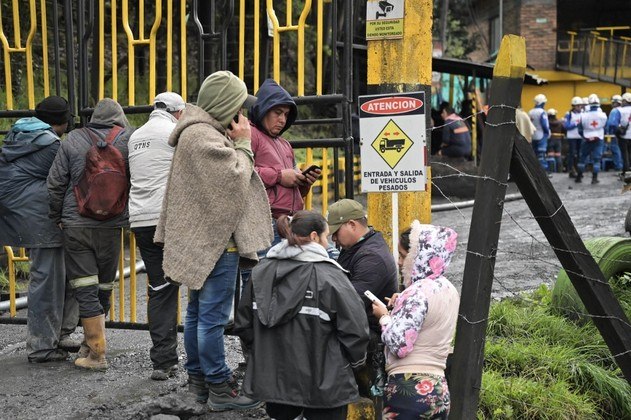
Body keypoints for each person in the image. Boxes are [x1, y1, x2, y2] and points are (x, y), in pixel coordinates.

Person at [154, 70, 273, 411]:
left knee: (196, 315)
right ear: (226, 105)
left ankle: (199, 383)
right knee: (212, 318)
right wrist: (244, 144)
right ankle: (219, 388)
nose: (244, 115)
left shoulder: (196, 133)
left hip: (205, 243)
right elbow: (234, 183)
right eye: (238, 105)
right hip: (218, 245)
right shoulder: (204, 138)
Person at [234, 211, 370, 420]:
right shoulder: (332, 277)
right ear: (314, 237)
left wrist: (263, 356)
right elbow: (356, 332)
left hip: (274, 382)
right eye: (326, 237)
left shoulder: (260, 273)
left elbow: (244, 325)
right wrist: (352, 365)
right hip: (326, 384)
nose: (328, 243)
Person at [48, 98, 133, 370]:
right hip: (112, 225)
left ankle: (96, 352)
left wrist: (57, 217)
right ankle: (92, 345)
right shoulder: (128, 139)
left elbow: (55, 183)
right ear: (119, 118)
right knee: (104, 285)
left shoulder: (72, 139)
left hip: (77, 224)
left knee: (84, 286)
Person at [0, 96, 79, 362]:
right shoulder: (50, 145)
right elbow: (69, 177)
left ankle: (57, 335)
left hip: (20, 211)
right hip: (38, 215)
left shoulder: (21, 134)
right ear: (63, 121)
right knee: (47, 279)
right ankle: (42, 347)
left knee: (54, 275)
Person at [372, 221, 460, 419]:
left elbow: (400, 344)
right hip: (438, 390)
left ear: (420, 256)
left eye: (404, 256)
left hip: (409, 389)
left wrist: (385, 317)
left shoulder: (417, 292)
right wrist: (399, 308)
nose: (400, 262)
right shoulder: (449, 290)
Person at [128, 92, 185, 380]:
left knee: (160, 288)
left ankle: (163, 361)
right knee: (197, 281)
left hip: (140, 219)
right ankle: (201, 361)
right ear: (177, 112)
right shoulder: (174, 132)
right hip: (168, 219)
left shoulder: (135, 136)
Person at [327, 199, 398, 405]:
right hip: (361, 326)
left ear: (352, 224)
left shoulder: (370, 257)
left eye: (336, 232)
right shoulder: (358, 247)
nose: (333, 239)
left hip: (370, 335)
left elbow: (349, 303)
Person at [248, 78, 320, 245]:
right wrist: (280, 176)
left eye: (286, 115)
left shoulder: (285, 144)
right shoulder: (250, 134)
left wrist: (303, 182)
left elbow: (290, 193)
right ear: (262, 109)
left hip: (290, 223)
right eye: (278, 112)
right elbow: (241, 172)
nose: (282, 120)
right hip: (265, 222)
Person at [576, 94, 608, 184]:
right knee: (596, 160)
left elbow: (580, 129)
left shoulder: (583, 116)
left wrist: (584, 136)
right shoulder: (603, 115)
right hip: (599, 138)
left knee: (582, 158)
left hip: (586, 138)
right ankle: (594, 178)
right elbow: (606, 128)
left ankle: (579, 177)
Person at [606, 94, 629, 180]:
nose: (612, 104)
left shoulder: (615, 111)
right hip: (626, 134)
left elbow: (610, 124)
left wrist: (609, 132)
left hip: (616, 134)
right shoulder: (624, 110)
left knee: (617, 151)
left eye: (613, 102)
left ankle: (619, 167)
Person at [563, 96, 584, 178]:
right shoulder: (569, 114)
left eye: (580, 105)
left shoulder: (583, 114)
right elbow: (566, 126)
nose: (580, 107)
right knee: (572, 154)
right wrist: (575, 124)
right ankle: (571, 170)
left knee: (579, 154)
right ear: (574, 106)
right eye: (578, 106)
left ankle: (579, 170)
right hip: (572, 137)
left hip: (580, 137)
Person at [528, 94, 550, 170]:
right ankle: (543, 172)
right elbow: (544, 125)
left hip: (533, 135)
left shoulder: (530, 112)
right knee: (541, 155)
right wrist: (547, 133)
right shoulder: (542, 112)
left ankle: (534, 170)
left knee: (534, 155)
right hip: (541, 135)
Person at [614, 93, 631, 183]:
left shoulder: (620, 111)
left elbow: (614, 123)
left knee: (625, 155)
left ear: (625, 101)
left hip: (624, 136)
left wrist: (619, 130)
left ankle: (626, 174)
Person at [547, 108, 565, 172]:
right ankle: (559, 170)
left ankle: (551, 171)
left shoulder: (547, 123)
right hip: (558, 140)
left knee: (550, 155)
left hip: (550, 139)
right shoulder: (560, 122)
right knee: (558, 155)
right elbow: (564, 130)